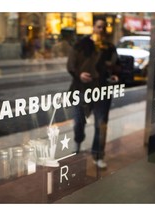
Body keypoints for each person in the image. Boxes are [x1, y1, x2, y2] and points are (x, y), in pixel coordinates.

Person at [67, 17, 121, 169]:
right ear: (93, 27)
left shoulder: (109, 47)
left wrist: (116, 74)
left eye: (104, 27)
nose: (101, 30)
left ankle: (98, 155)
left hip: (102, 90)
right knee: (79, 121)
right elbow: (70, 64)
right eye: (98, 27)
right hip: (82, 89)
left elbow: (117, 65)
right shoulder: (81, 44)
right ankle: (78, 140)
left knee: (101, 123)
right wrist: (79, 74)